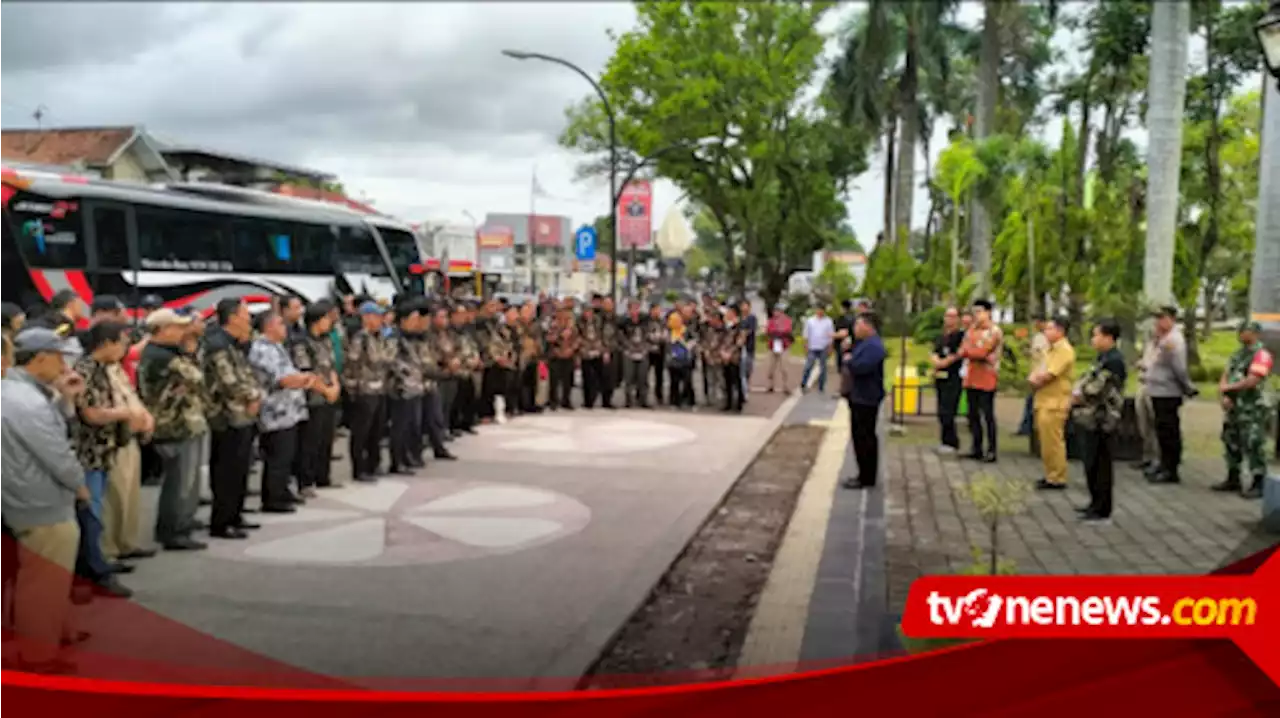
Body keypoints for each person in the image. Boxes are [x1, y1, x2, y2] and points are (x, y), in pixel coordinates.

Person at [0, 326, 89, 672]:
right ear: (40, 359)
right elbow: (56, 453)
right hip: (41, 501)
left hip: (26, 496)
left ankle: (57, 631)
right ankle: (38, 655)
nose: (64, 366)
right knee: (43, 582)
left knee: (48, 577)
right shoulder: (26, 402)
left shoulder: (21, 394)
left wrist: (63, 400)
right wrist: (79, 485)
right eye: (59, 358)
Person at [70, 321, 137, 597]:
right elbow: (91, 414)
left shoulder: (103, 369)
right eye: (120, 342)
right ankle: (92, 571)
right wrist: (123, 413)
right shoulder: (84, 370)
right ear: (106, 343)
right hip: (88, 453)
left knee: (97, 510)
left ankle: (97, 564)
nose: (124, 348)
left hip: (103, 451)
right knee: (90, 513)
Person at [136, 309, 209, 551]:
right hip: (174, 425)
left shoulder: (166, 353)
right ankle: (173, 530)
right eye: (178, 327)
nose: (183, 332)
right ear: (163, 329)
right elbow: (198, 377)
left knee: (186, 480)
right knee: (178, 481)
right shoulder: (161, 356)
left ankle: (183, 521)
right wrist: (189, 351)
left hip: (185, 422)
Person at [203, 299, 264, 537]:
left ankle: (236, 515)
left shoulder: (234, 344)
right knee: (226, 471)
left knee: (241, 468)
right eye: (245, 314)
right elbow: (228, 381)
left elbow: (245, 373)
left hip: (242, 414)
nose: (248, 319)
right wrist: (252, 396)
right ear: (233, 317)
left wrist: (255, 396)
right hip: (225, 416)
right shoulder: (217, 345)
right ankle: (222, 521)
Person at [248, 309, 314, 516]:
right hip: (275, 411)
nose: (284, 328)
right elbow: (283, 379)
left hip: (288, 410)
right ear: (269, 327)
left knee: (287, 455)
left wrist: (302, 378)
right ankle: (273, 498)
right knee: (277, 456)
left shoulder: (276, 347)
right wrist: (304, 379)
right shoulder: (263, 349)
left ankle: (283, 491)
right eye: (280, 324)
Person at [1072, 319, 1126, 522]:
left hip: (1103, 418)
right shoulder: (1102, 358)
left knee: (1101, 464)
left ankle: (1102, 507)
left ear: (1109, 337)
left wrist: (1079, 395)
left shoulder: (1114, 361)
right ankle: (1094, 502)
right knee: (1091, 462)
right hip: (1091, 417)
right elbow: (1086, 377)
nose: (1093, 339)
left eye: (1097, 335)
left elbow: (1099, 388)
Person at [1214, 321, 1274, 499]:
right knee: (1231, 439)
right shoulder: (1237, 355)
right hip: (1235, 407)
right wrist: (1224, 393)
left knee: (1253, 442)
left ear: (1255, 333)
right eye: (1240, 331)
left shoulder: (1261, 355)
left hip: (1253, 407)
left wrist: (1229, 389)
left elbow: (1253, 380)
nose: (1241, 334)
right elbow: (1225, 375)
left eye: (1245, 331)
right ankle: (1233, 476)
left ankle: (1259, 480)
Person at [1141, 306, 1196, 484]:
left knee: (1169, 431)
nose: (1158, 322)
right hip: (1157, 390)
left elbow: (1179, 368)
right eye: (1157, 318)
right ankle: (1163, 464)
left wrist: (1187, 387)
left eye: (1162, 318)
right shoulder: (1161, 339)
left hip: (1168, 391)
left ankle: (1171, 469)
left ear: (1172, 319)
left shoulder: (1173, 340)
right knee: (1162, 430)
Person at [291, 303, 342, 493]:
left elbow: (331, 366)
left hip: (329, 394)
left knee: (326, 438)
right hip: (312, 397)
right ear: (316, 321)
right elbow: (306, 373)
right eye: (326, 319)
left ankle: (323, 476)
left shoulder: (326, 340)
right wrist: (326, 390)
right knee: (309, 441)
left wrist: (335, 386)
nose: (330, 323)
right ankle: (305, 480)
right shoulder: (302, 343)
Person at [344, 302, 394, 482]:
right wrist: (353, 390)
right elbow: (352, 365)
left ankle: (373, 464)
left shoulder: (380, 337)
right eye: (376, 316)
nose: (381, 320)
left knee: (377, 430)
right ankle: (360, 468)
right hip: (364, 390)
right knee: (361, 432)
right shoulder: (360, 339)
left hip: (379, 388)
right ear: (366, 317)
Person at [1027, 317, 1075, 491]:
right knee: (1045, 441)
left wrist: (1034, 380)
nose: (1046, 332)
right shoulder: (1050, 350)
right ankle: (1050, 473)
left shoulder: (1064, 350)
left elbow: (1049, 375)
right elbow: (1039, 369)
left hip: (1055, 402)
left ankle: (1058, 476)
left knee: (1054, 441)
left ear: (1060, 331)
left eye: (1049, 329)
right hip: (1043, 400)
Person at [841, 312, 887, 490]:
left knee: (864, 437)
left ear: (868, 327)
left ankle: (866, 476)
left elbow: (862, 367)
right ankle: (864, 473)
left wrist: (849, 361)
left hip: (866, 397)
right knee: (861, 436)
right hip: (859, 395)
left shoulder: (874, 346)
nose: (855, 329)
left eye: (858, 325)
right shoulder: (864, 344)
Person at [959, 299, 1003, 462]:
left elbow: (982, 352)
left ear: (988, 312)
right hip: (972, 376)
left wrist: (972, 351)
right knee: (972, 414)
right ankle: (976, 447)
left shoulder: (994, 331)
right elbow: (962, 350)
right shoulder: (971, 330)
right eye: (974, 312)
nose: (976, 315)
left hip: (987, 377)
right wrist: (972, 350)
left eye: (979, 312)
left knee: (987, 414)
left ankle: (992, 450)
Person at [387, 303, 426, 473]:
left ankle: (408, 455)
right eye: (413, 319)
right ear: (403, 320)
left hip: (414, 386)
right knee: (400, 426)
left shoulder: (413, 336)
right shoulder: (394, 337)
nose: (416, 322)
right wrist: (407, 373)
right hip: (400, 387)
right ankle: (397, 460)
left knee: (412, 425)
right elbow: (391, 360)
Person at [929, 307, 965, 454]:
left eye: (953, 316)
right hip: (940, 377)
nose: (949, 319)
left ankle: (952, 442)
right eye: (947, 316)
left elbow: (958, 354)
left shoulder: (961, 336)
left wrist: (945, 362)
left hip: (954, 376)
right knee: (941, 410)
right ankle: (944, 440)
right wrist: (936, 361)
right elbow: (934, 351)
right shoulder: (941, 336)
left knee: (949, 410)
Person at [1016, 315, 1049, 437]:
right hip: (1036, 372)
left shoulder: (1043, 337)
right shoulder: (1039, 336)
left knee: (1033, 401)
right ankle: (1026, 427)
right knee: (1031, 401)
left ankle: (1028, 427)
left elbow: (1040, 353)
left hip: (1041, 373)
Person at [547, 305, 580, 410]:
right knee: (554, 381)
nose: (564, 318)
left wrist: (572, 349)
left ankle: (566, 400)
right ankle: (553, 401)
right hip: (555, 356)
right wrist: (560, 335)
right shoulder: (553, 326)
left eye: (567, 316)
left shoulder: (573, 328)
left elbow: (578, 340)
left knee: (568, 380)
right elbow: (549, 339)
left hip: (569, 355)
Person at [619, 300, 652, 408]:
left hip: (642, 352)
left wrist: (645, 347)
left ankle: (643, 400)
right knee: (628, 378)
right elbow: (621, 337)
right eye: (632, 308)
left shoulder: (645, 320)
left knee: (643, 378)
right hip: (629, 352)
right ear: (628, 310)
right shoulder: (624, 322)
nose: (635, 311)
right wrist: (629, 347)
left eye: (637, 308)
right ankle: (628, 401)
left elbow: (649, 335)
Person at [799, 305, 835, 394]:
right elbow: (806, 334)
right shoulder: (810, 321)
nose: (820, 312)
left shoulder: (828, 321)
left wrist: (830, 347)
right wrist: (805, 345)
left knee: (823, 367)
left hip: (823, 346)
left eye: (821, 310)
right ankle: (804, 383)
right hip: (812, 347)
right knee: (808, 366)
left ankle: (821, 386)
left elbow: (831, 334)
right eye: (818, 310)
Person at [719, 306, 747, 413]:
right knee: (727, 380)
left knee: (736, 379)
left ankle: (739, 403)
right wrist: (722, 352)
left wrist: (730, 352)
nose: (727, 315)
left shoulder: (740, 326)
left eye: (730, 312)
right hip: (724, 356)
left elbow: (740, 341)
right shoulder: (725, 326)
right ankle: (728, 402)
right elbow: (720, 339)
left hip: (734, 356)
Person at [764, 306, 793, 392]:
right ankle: (770, 385)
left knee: (784, 367)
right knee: (771, 367)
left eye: (778, 311)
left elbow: (787, 330)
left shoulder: (787, 320)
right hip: (773, 345)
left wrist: (779, 331)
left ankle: (786, 385)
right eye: (775, 311)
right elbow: (768, 331)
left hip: (783, 345)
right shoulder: (771, 321)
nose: (776, 312)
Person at [646, 303, 668, 405]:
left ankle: (659, 395)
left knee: (659, 374)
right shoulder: (646, 321)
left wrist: (661, 337)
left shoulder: (662, 321)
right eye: (655, 310)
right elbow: (644, 333)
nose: (657, 312)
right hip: (648, 350)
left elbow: (666, 333)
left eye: (659, 310)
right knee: (645, 373)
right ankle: (642, 394)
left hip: (660, 350)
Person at [737, 299, 758, 399]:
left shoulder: (752, 318)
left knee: (748, 368)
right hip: (739, 348)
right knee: (742, 370)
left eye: (746, 306)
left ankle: (747, 385)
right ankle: (744, 391)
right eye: (742, 306)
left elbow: (750, 330)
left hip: (749, 346)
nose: (744, 308)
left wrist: (743, 335)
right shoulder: (739, 318)